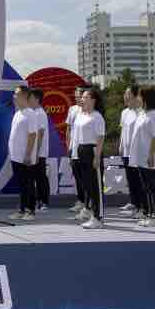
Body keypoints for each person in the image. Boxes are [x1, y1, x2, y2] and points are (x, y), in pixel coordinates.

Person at [73, 87, 106, 229]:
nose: (82, 99)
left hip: (92, 151)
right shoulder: (81, 115)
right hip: (81, 150)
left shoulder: (97, 116)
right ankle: (92, 214)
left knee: (95, 186)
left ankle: (98, 217)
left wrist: (97, 157)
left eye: (86, 97)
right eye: (82, 97)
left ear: (93, 100)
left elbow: (100, 138)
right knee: (87, 185)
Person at [132, 86, 155, 227]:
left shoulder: (154, 115)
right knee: (145, 187)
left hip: (150, 157)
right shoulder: (141, 114)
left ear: (145, 98)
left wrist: (151, 154)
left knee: (152, 187)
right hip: (140, 157)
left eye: (139, 96)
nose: (137, 98)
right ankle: (149, 214)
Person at [7, 86, 36, 221]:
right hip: (15, 156)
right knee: (21, 184)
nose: (14, 96)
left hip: (25, 157)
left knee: (28, 183)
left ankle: (30, 211)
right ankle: (22, 209)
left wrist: (28, 154)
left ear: (24, 96)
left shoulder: (30, 113)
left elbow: (32, 135)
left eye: (16, 94)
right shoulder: (18, 113)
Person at [119, 86, 142, 219]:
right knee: (131, 179)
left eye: (128, 94)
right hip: (126, 152)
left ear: (135, 96)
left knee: (138, 180)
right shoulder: (124, 112)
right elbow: (123, 130)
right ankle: (134, 202)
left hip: (136, 152)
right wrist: (121, 145)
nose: (125, 96)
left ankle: (141, 207)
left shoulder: (140, 112)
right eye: (125, 94)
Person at [66, 85, 87, 215]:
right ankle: (80, 200)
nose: (76, 98)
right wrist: (68, 145)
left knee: (85, 177)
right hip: (73, 149)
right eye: (76, 96)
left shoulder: (88, 111)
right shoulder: (72, 109)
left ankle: (88, 203)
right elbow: (68, 129)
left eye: (79, 96)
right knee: (77, 176)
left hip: (84, 149)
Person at [28, 88, 50, 211]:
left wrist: (36, 152)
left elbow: (40, 134)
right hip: (34, 151)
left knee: (40, 177)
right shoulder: (33, 113)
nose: (28, 100)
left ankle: (44, 201)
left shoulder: (40, 114)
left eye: (30, 98)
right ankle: (37, 201)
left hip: (39, 152)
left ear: (37, 99)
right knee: (34, 177)